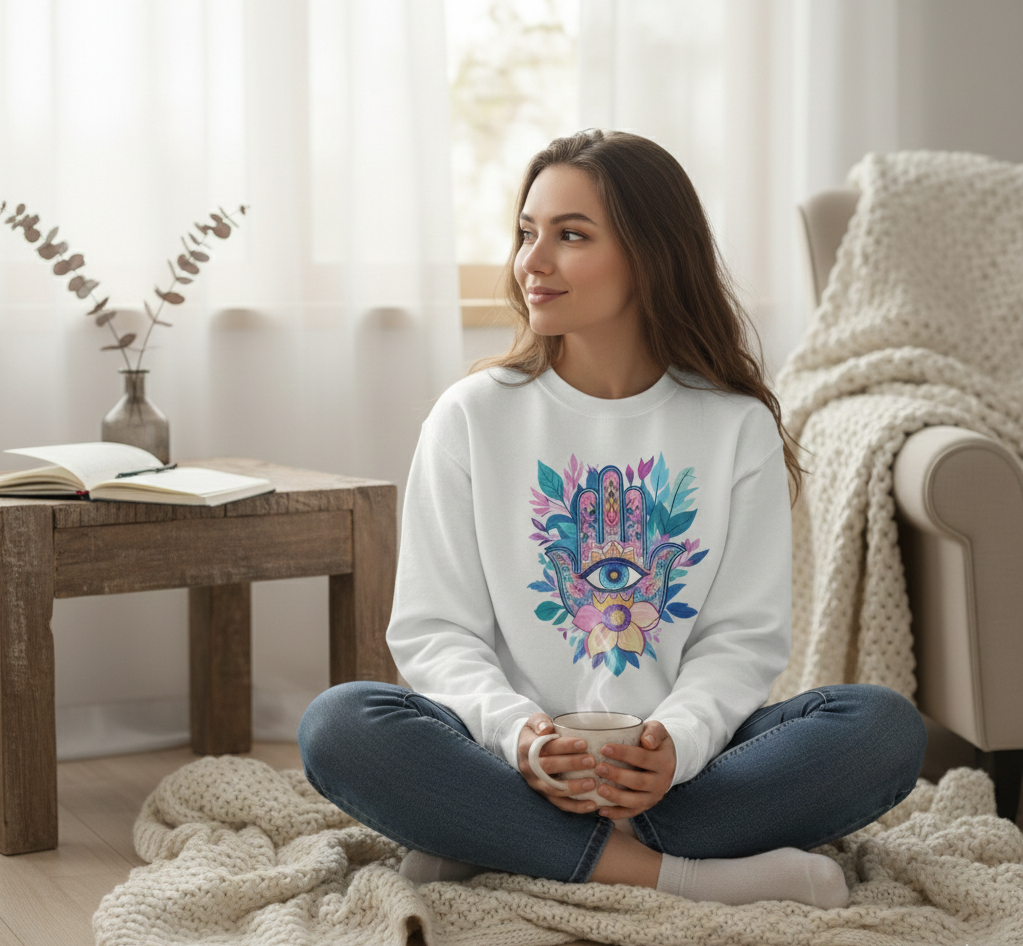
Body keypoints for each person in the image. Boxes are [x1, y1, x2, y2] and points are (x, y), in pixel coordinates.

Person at [298, 129, 927, 908]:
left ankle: (494, 843)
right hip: (511, 760)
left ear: (648, 253)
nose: (533, 260)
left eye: (569, 236)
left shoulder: (735, 426)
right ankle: (677, 874)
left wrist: (678, 748)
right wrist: (521, 736)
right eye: (527, 233)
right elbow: (435, 632)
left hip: (677, 770)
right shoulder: (470, 417)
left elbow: (741, 637)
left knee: (881, 727)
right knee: (340, 724)